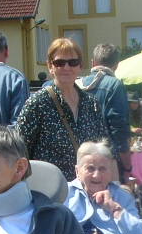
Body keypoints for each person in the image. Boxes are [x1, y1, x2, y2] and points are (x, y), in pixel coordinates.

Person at [16, 38, 113, 181]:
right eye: (60, 63)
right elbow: (19, 152)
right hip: (49, 192)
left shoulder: (91, 104)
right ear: (50, 66)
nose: (67, 67)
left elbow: (103, 148)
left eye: (73, 62)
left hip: (87, 190)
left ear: (80, 66)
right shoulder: (37, 103)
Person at [80, 44, 132, 178]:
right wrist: (127, 166)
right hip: (106, 159)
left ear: (93, 62)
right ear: (116, 65)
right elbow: (119, 129)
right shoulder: (115, 85)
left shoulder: (78, 84)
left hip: (82, 158)